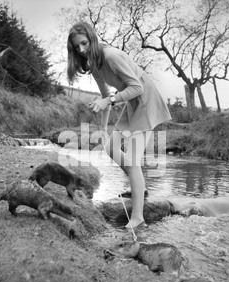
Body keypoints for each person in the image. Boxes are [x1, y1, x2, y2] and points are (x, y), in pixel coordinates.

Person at [67, 22, 172, 230]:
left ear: (92, 37)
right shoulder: (94, 63)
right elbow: (106, 97)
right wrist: (103, 130)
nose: (81, 50)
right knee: (110, 147)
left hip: (145, 99)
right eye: (76, 47)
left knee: (132, 161)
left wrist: (109, 101)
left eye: (84, 43)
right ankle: (138, 185)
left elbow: (137, 87)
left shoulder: (111, 56)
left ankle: (138, 218)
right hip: (133, 102)